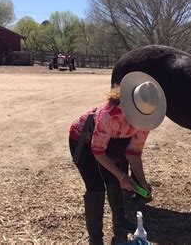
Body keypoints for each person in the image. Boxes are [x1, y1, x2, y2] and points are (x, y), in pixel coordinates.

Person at [68, 72, 167, 244]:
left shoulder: (146, 116)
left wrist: (142, 182)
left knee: (116, 181)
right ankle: (95, 238)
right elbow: (98, 151)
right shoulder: (109, 115)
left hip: (111, 144)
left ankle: (119, 222)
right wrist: (121, 175)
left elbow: (134, 153)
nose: (141, 122)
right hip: (83, 141)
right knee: (96, 186)